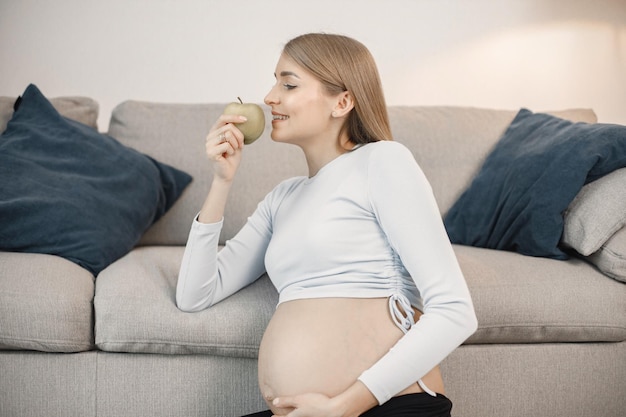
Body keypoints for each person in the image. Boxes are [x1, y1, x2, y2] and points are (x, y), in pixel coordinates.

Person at [176, 33, 478, 417]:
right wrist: (221, 181)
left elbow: (455, 311)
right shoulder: (283, 198)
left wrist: (343, 407)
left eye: (288, 84)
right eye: (274, 83)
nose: (269, 97)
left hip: (386, 408)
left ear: (343, 102)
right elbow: (194, 294)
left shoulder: (383, 161)